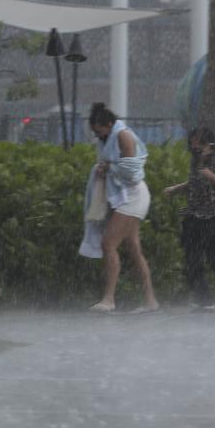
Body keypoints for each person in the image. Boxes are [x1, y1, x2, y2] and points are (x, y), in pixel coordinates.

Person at [164, 127, 215, 311]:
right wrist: (176, 189)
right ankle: (204, 300)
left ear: (209, 145)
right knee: (192, 260)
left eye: (198, 143)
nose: (194, 146)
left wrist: (210, 174)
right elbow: (195, 181)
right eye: (192, 143)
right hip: (194, 216)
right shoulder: (195, 160)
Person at [87, 103, 159, 313]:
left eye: (98, 130)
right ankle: (151, 300)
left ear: (108, 124)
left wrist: (108, 167)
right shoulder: (108, 137)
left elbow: (130, 170)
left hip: (134, 196)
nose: (96, 134)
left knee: (108, 244)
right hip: (127, 196)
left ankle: (109, 299)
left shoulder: (123, 135)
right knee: (134, 250)